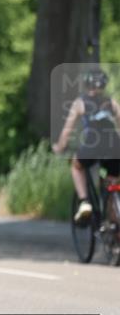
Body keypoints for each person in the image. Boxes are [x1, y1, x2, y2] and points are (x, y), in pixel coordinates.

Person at [52, 69, 120, 223]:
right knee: (112, 182)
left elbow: (67, 131)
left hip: (92, 145)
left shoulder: (80, 102)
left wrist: (59, 147)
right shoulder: (111, 102)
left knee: (76, 166)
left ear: (87, 84)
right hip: (115, 147)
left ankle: (84, 202)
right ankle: (115, 226)